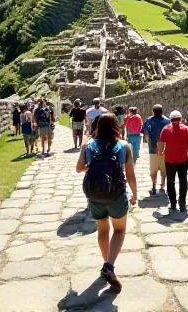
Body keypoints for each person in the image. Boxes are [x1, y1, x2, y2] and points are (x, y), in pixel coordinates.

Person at [76, 113, 138, 292]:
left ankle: (106, 264)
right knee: (119, 229)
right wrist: (134, 195)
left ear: (98, 127)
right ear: (116, 127)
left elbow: (79, 168)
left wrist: (91, 162)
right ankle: (109, 266)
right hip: (116, 195)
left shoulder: (88, 145)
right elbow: (131, 175)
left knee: (103, 230)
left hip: (95, 195)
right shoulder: (124, 146)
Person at [157, 110, 188, 212]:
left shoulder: (165, 129)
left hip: (170, 159)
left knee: (170, 182)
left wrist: (160, 152)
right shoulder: (187, 129)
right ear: (181, 119)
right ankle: (182, 203)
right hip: (183, 159)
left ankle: (173, 203)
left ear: (170, 119)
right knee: (183, 180)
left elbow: (161, 144)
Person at [142, 104, 170, 196]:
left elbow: (145, 132)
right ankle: (163, 185)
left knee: (153, 167)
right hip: (165, 147)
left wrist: (147, 140)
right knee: (164, 167)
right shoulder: (167, 121)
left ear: (153, 112)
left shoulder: (150, 120)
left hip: (153, 147)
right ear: (162, 111)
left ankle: (154, 185)